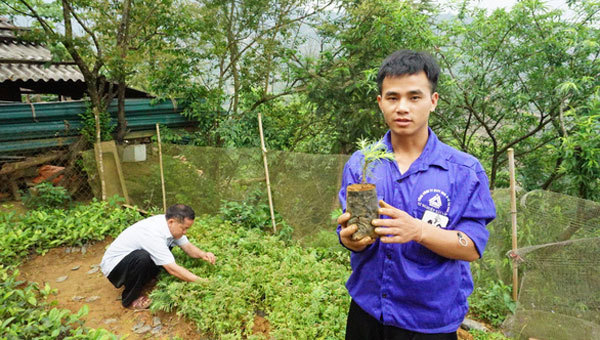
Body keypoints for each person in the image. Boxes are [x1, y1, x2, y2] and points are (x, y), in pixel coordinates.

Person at [337, 50, 496, 339]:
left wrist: (418, 230)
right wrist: (351, 241)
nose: (402, 108)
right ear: (380, 103)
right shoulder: (362, 164)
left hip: (429, 322)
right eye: (393, 97)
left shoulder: (463, 171)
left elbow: (472, 247)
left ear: (433, 101)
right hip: (367, 311)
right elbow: (353, 235)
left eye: (414, 97)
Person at [101, 204, 216, 309]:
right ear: (172, 222)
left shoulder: (170, 226)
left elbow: (187, 247)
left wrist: (203, 254)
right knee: (143, 258)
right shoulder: (153, 234)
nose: (185, 232)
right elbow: (172, 269)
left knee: (161, 251)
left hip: (128, 260)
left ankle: (145, 278)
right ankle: (130, 299)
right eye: (184, 228)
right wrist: (201, 281)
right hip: (114, 267)